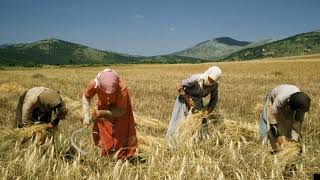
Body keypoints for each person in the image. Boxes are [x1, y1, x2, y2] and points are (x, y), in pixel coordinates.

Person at [82, 69, 137, 160]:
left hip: (120, 109)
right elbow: (86, 97)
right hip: (103, 106)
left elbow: (121, 111)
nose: (108, 96)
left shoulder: (122, 88)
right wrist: (86, 116)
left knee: (121, 133)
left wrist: (104, 113)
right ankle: (106, 154)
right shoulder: (94, 83)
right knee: (104, 132)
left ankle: (121, 157)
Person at [165, 66, 221, 141]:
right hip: (184, 101)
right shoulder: (196, 79)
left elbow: (214, 98)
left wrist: (208, 110)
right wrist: (187, 98)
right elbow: (179, 85)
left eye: (212, 81)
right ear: (207, 74)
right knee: (180, 123)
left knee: (198, 125)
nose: (210, 82)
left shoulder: (214, 85)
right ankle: (174, 142)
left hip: (197, 103)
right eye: (209, 79)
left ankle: (193, 143)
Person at [259, 84, 310, 151]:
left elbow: (297, 123)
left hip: (289, 102)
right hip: (272, 98)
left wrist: (293, 140)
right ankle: (263, 145)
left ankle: (284, 145)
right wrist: (276, 134)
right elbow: (271, 116)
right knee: (266, 122)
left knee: (288, 124)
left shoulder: (300, 101)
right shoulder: (280, 99)